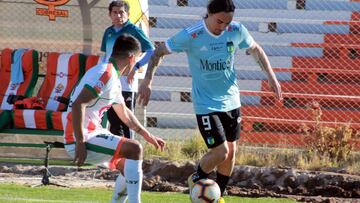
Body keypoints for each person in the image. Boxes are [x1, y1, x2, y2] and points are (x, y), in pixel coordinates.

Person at [137, 0, 282, 202]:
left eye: (227, 22)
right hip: (206, 104)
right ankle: (196, 179)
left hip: (232, 100)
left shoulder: (236, 30)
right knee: (220, 151)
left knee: (231, 152)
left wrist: (271, 76)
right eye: (219, 21)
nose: (223, 27)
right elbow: (159, 51)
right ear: (209, 14)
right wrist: (147, 80)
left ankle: (218, 195)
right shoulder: (192, 35)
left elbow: (256, 49)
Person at [63, 34, 165, 203]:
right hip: (79, 137)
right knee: (134, 149)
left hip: (90, 133)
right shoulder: (105, 74)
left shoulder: (112, 75)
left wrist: (148, 135)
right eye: (138, 59)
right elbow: (78, 104)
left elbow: (124, 112)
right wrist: (80, 142)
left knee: (128, 166)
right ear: (132, 58)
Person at [101, 0, 155, 139]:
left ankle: (129, 154)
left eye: (121, 12)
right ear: (109, 14)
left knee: (126, 119)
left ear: (128, 14)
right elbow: (106, 55)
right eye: (115, 12)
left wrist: (136, 67)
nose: (118, 15)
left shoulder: (134, 30)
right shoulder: (108, 31)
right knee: (113, 119)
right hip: (111, 79)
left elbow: (151, 50)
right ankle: (116, 155)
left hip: (126, 81)